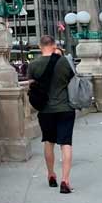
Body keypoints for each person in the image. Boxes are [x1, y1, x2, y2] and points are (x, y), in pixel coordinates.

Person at [27, 35, 75, 194]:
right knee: (66, 144)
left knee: (48, 142)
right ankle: (65, 180)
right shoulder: (65, 62)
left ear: (40, 46)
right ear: (54, 45)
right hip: (65, 107)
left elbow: (32, 85)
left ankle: (51, 175)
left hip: (46, 110)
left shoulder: (33, 65)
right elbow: (73, 80)